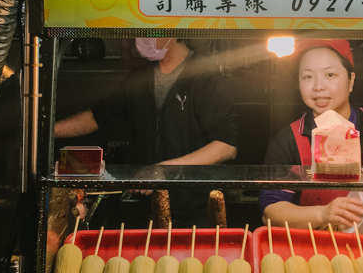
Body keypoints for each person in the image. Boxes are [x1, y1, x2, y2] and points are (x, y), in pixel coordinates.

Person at [55, 37, 238, 226]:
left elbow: (225, 146)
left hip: (195, 210)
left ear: (173, 33)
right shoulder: (140, 77)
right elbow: (98, 117)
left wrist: (162, 170)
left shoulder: (206, 78)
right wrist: (50, 131)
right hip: (147, 209)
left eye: (149, 30)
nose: (139, 38)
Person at [260, 38, 363, 231]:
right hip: (310, 255)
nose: (318, 86)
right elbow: (271, 212)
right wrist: (323, 214)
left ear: (351, 80)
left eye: (330, 74)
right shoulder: (287, 141)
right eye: (307, 77)